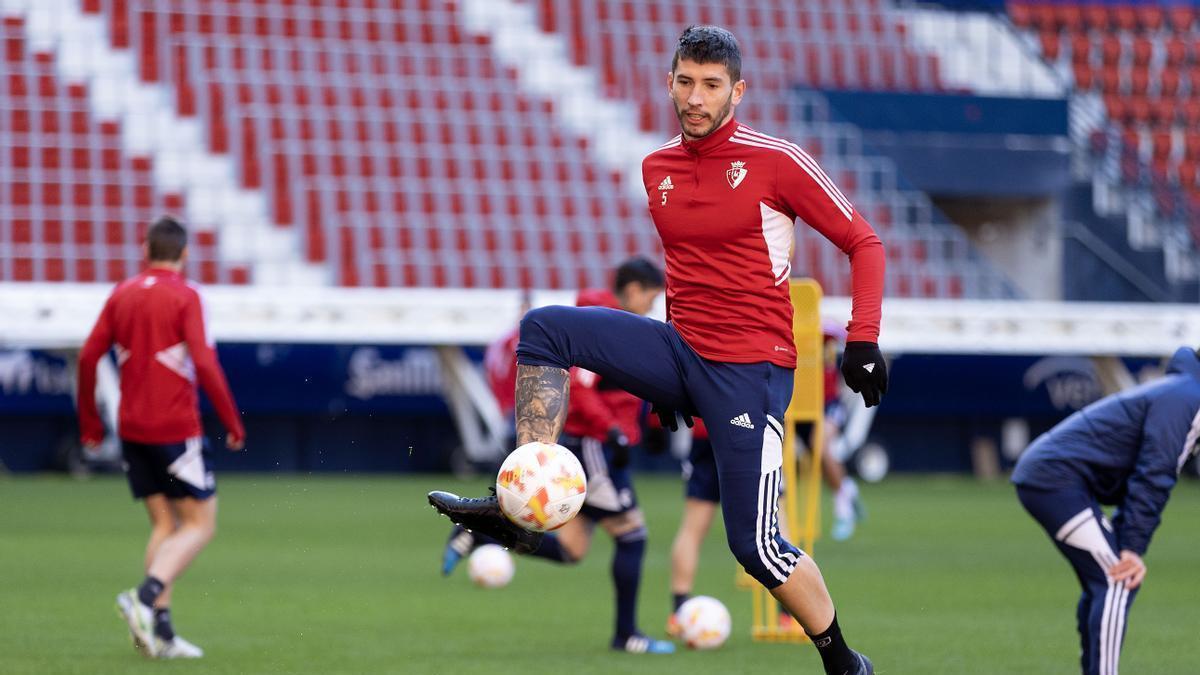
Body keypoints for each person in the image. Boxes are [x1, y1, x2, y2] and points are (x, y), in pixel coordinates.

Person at [428, 25, 888, 675]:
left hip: (749, 372)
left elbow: (864, 242)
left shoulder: (777, 160)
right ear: (669, 81)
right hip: (680, 350)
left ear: (737, 91)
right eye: (685, 82)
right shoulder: (657, 168)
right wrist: (661, 381)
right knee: (545, 328)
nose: (695, 98)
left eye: (711, 85)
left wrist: (863, 338)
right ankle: (519, 502)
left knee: (754, 546)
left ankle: (844, 661)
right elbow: (687, 269)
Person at [442, 257, 674, 654]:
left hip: (596, 445)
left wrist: (647, 423)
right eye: (651, 299)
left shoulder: (608, 322)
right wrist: (613, 430)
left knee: (571, 551)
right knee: (633, 536)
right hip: (592, 448)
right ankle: (626, 636)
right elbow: (580, 387)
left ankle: (482, 533)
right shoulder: (605, 325)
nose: (652, 308)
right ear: (634, 291)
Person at [77, 216, 245, 659]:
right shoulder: (187, 296)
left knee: (165, 525)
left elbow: (90, 356)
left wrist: (90, 422)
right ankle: (145, 598)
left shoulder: (122, 293)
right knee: (200, 524)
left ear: (145, 250)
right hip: (174, 429)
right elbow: (205, 364)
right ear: (184, 254)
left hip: (131, 428)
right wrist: (232, 420)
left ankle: (161, 634)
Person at [664, 323, 864, 636]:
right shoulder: (755, 326)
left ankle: (678, 614)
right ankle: (790, 614)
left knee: (693, 526)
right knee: (775, 521)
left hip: (706, 431)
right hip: (747, 429)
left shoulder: (700, 323)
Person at [1012, 346, 1200, 675]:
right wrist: (1132, 547)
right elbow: (1156, 473)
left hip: (1056, 476)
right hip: (1055, 478)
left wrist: (1129, 544)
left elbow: (1150, 474)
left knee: (1107, 578)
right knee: (1116, 581)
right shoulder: (1188, 398)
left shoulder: (1183, 390)